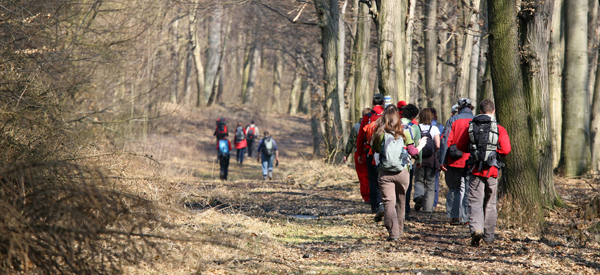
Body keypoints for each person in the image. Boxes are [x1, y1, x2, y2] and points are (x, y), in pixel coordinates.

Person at [455, 99, 511, 246]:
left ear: (480, 111)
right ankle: (489, 236)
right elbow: (506, 150)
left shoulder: (471, 126)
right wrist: (493, 153)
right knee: (490, 203)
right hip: (491, 170)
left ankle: (476, 230)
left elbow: (460, 145)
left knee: (475, 201)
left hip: (474, 169)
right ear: (493, 111)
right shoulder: (499, 128)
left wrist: (475, 150)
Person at [371, 105, 427, 241]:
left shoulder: (380, 132)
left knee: (389, 203)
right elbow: (412, 152)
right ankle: (400, 231)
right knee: (401, 202)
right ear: (398, 117)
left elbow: (375, 149)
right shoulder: (405, 131)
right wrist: (421, 145)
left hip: (385, 172)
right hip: (403, 172)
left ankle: (393, 234)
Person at [439, 98, 475, 225]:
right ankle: (466, 218)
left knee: (454, 188)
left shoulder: (453, 120)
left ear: (459, 107)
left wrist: (442, 160)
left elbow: (445, 141)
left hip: (453, 160)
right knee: (468, 190)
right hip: (471, 160)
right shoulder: (475, 120)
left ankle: (455, 217)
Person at [356, 94, 385, 220]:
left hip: (370, 152)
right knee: (385, 177)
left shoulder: (367, 117)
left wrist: (360, 153)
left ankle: (375, 205)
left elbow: (361, 137)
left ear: (372, 102)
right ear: (383, 103)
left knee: (373, 179)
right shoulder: (387, 116)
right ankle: (386, 203)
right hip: (385, 152)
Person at [412, 108, 441, 213]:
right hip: (431, 160)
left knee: (419, 180)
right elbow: (438, 145)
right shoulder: (434, 129)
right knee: (430, 185)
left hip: (419, 158)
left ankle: (419, 195)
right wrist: (434, 151)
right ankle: (428, 210)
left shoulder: (416, 128)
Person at [342, 108, 372, 203]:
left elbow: (351, 141)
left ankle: (366, 197)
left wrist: (346, 154)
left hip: (359, 153)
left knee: (362, 176)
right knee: (372, 175)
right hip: (371, 152)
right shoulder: (374, 125)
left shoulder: (357, 126)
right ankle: (373, 196)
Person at [399, 104, 421, 219]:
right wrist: (419, 160)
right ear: (414, 116)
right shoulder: (414, 127)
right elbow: (417, 145)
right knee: (406, 186)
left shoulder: (395, 123)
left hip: (393, 159)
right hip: (408, 161)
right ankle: (405, 209)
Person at [430, 108, 444, 208]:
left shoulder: (420, 126)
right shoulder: (440, 127)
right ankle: (433, 204)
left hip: (424, 157)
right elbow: (442, 144)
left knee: (422, 180)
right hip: (436, 157)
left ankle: (422, 200)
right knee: (434, 181)